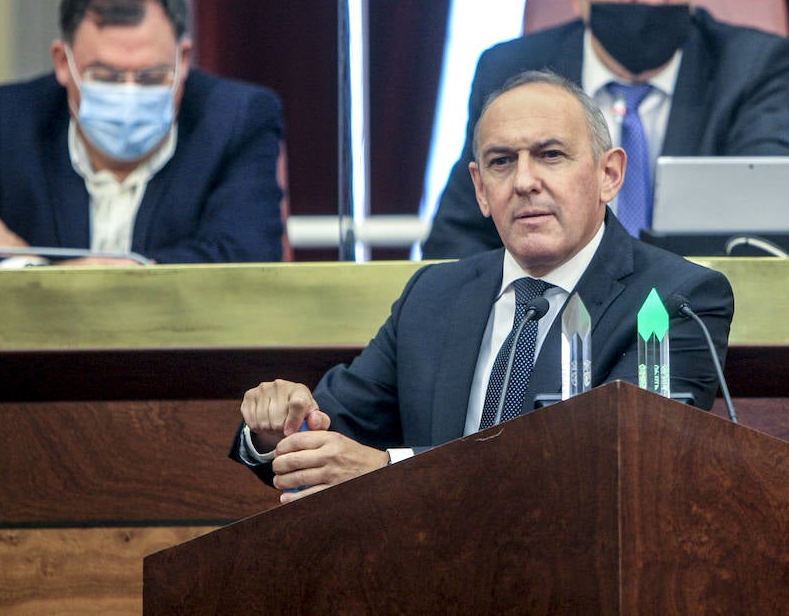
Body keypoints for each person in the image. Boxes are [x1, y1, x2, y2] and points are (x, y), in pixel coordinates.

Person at [234, 70, 734, 502]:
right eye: (501, 162)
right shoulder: (433, 296)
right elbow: (332, 432)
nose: (523, 182)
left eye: (551, 155)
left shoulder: (676, 299)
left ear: (610, 174)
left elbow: (619, 465)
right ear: (479, 190)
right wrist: (277, 426)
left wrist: (391, 471)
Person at [422, 0, 789, 259]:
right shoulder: (510, 73)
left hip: (697, 303)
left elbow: (773, 211)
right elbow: (460, 236)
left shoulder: (750, 66)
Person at [0, 0, 285, 267]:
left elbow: (248, 263)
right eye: (106, 76)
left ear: (183, 59)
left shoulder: (236, 118)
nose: (130, 92)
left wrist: (38, 267)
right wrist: (33, 271)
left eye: (151, 76)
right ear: (64, 63)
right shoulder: (5, 121)